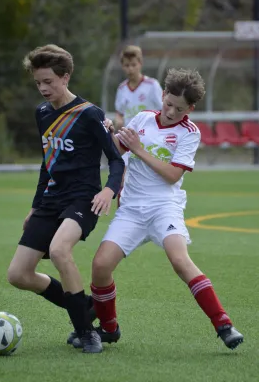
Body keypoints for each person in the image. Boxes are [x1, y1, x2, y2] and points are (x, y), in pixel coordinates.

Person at [84, 68, 243, 352]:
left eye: (179, 109)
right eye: (168, 104)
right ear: (163, 94)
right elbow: (117, 150)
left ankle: (224, 324)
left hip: (164, 207)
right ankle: (109, 329)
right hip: (131, 209)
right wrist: (106, 132)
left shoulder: (189, 133)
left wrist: (139, 149)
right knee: (100, 266)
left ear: (190, 109)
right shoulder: (143, 118)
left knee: (180, 260)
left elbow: (172, 175)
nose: (170, 112)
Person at [7, 44, 125, 354]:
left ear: (65, 76)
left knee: (60, 250)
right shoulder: (42, 113)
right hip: (52, 200)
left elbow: (116, 160)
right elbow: (48, 163)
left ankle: (86, 333)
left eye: (48, 81)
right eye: (38, 82)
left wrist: (108, 191)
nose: (43, 88)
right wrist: (35, 206)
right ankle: (86, 306)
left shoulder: (89, 114)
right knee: (18, 275)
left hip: (84, 199)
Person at [114, 45, 163, 205]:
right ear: (123, 66)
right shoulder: (122, 88)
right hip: (129, 139)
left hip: (149, 141)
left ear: (140, 64)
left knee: (147, 182)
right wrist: (118, 120)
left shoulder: (152, 85)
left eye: (133, 64)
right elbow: (119, 112)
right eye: (127, 65)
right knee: (123, 180)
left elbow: (164, 110)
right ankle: (124, 215)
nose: (130, 69)